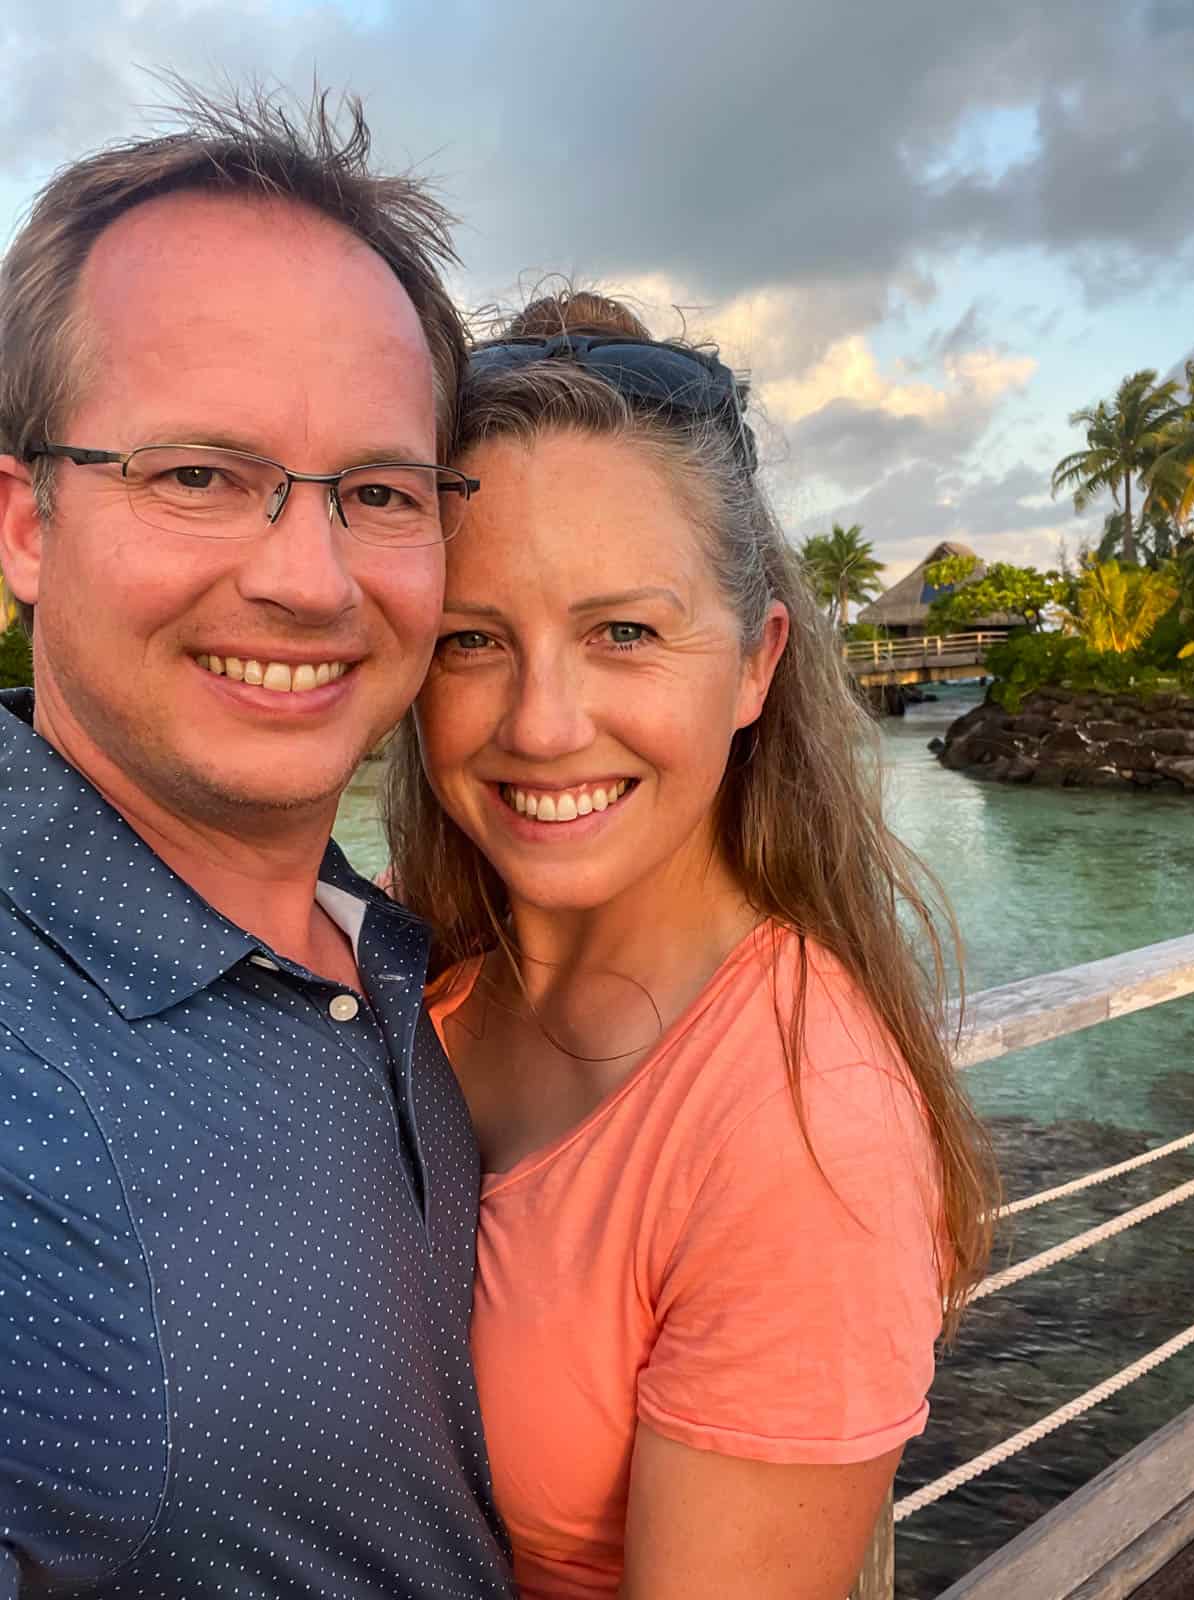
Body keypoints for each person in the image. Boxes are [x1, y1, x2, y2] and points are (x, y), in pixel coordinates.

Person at [384, 290, 998, 1599]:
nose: (542, 725)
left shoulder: (800, 1137)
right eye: (472, 640)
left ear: (755, 662)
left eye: (625, 633)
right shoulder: (398, 970)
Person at [0, 88, 514, 1597]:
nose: (311, 578)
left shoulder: (407, 951)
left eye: (377, 491)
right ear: (26, 524)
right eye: (200, 475)